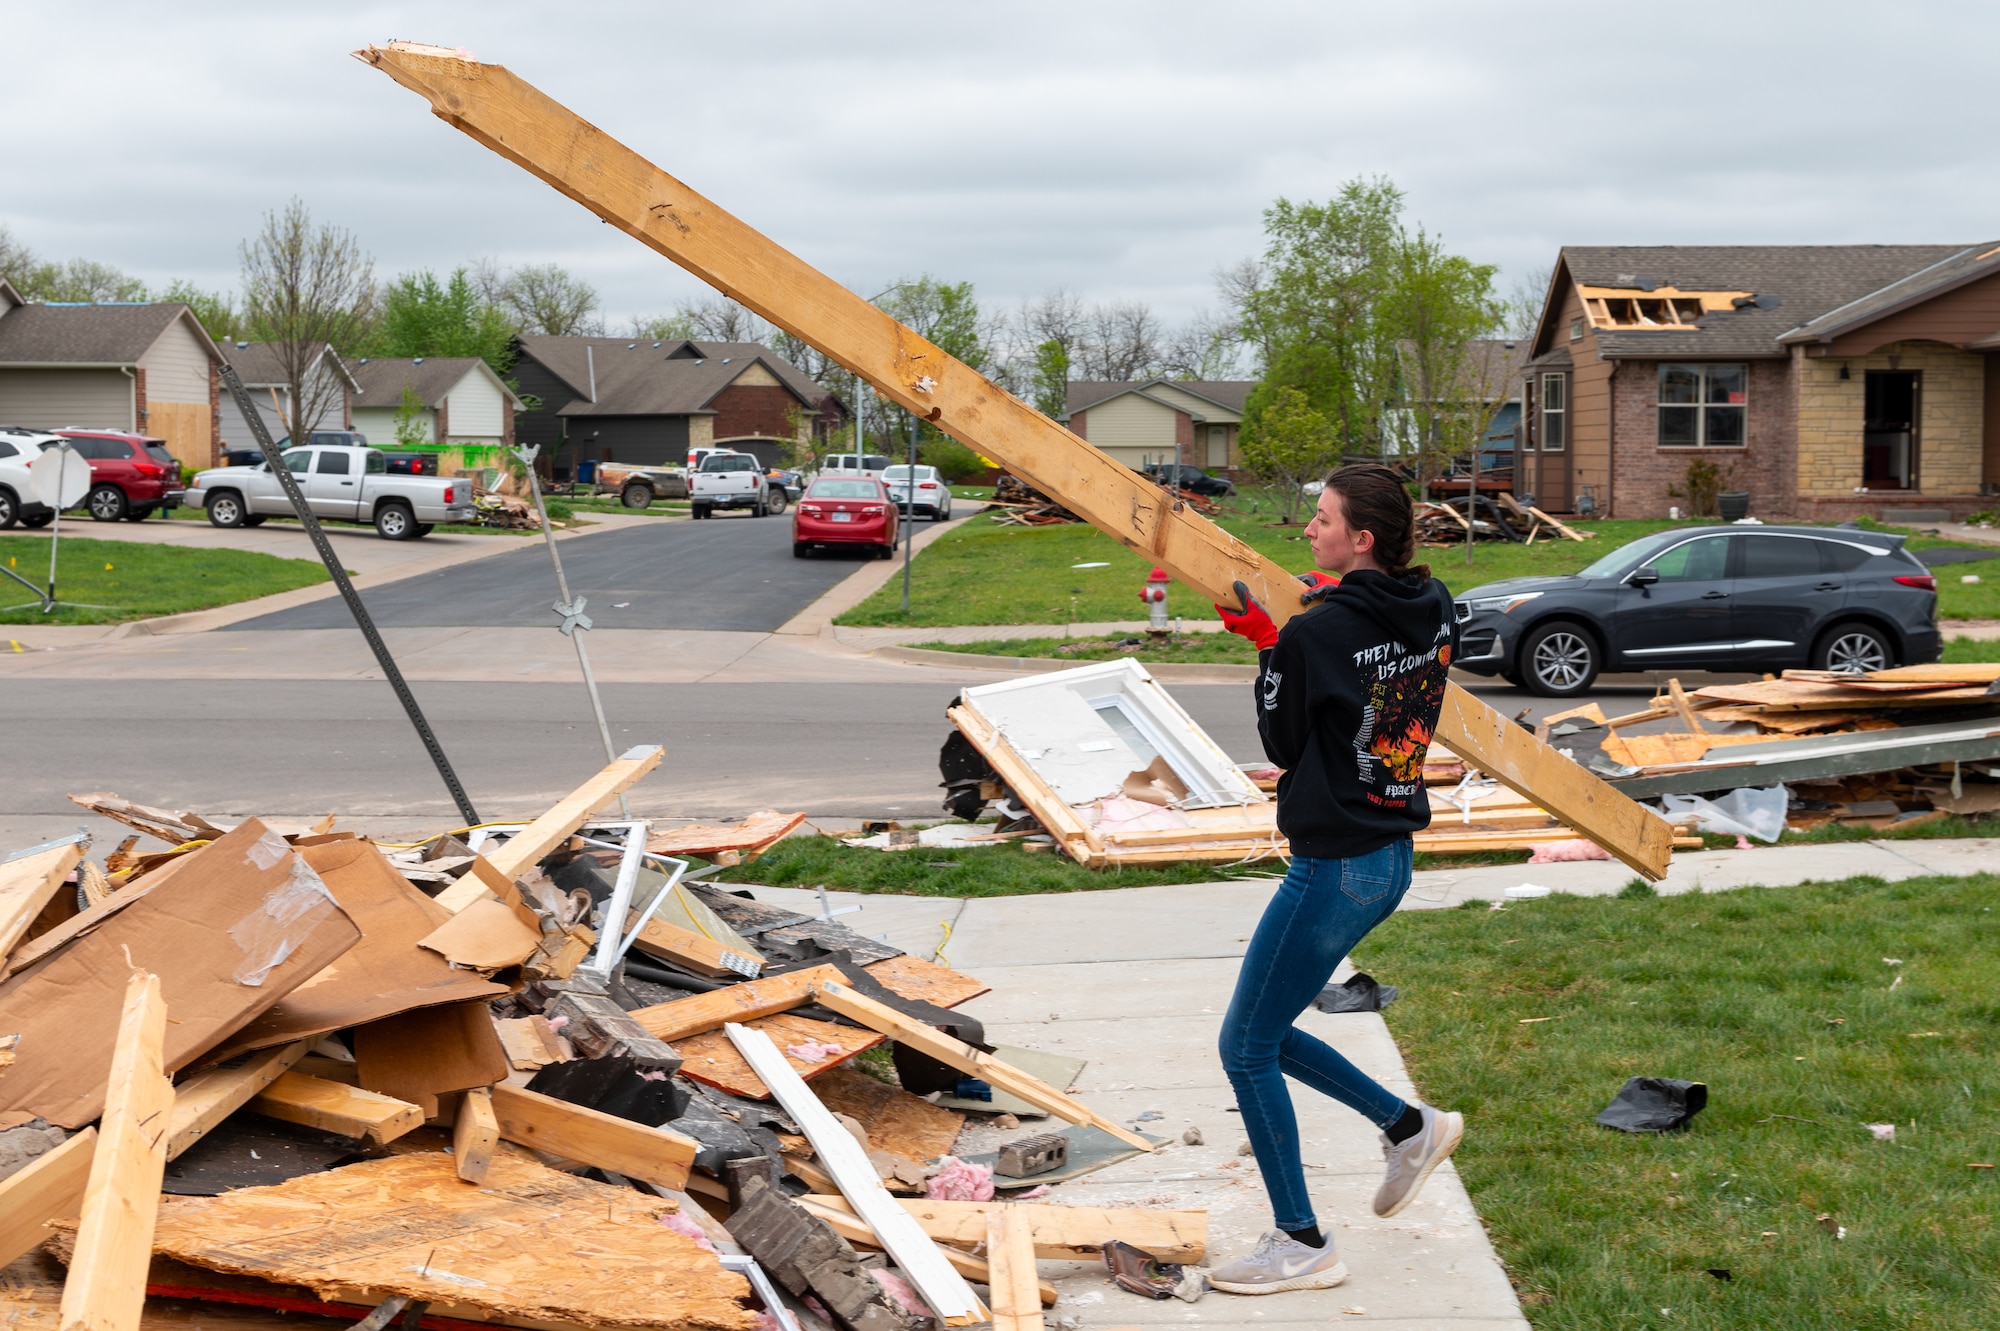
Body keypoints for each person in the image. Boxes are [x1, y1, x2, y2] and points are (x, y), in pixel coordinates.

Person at [1204, 463, 1464, 1296]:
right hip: (1386, 856)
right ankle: (1408, 1126)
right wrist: (1325, 608)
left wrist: (1270, 642)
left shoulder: (1316, 633)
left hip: (1336, 865)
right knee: (1267, 1030)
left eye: (1323, 519)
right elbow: (1372, 646)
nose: (1308, 529)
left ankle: (1301, 1240)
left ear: (1360, 539)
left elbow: (1281, 742)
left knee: (1243, 1046)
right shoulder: (1431, 603)